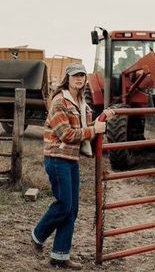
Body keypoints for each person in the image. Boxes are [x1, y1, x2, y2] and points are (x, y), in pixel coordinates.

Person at [31, 62, 115, 270]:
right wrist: (95, 128)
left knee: (72, 209)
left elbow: (85, 128)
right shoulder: (59, 102)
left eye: (82, 76)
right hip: (57, 158)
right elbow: (67, 135)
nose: (79, 79)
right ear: (67, 78)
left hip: (71, 160)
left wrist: (102, 117)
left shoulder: (81, 102)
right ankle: (38, 234)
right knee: (64, 205)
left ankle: (60, 255)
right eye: (75, 76)